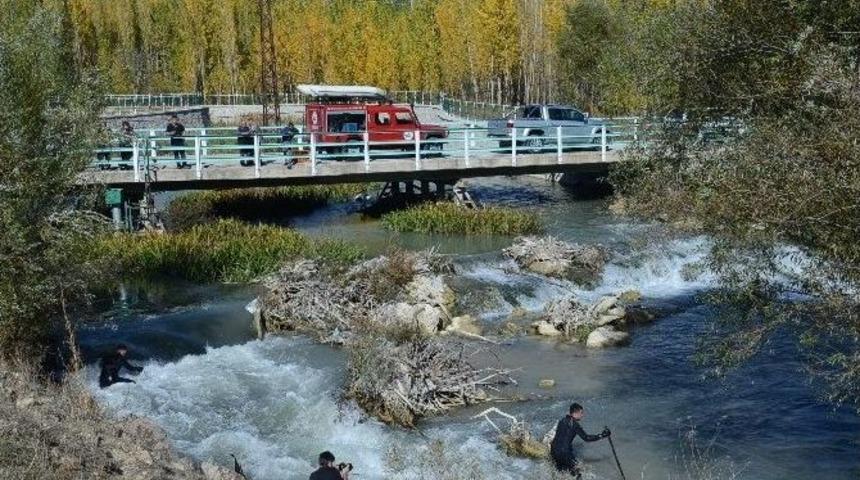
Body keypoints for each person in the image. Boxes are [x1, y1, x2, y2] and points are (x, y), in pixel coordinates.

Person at [550, 403, 611, 478]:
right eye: (581, 413)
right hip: (565, 453)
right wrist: (602, 435)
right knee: (577, 473)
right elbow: (587, 438)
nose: (582, 415)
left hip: (553, 451)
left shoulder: (561, 421)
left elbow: (559, 437)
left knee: (560, 473)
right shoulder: (575, 425)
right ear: (575, 413)